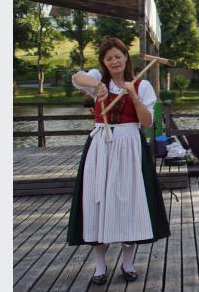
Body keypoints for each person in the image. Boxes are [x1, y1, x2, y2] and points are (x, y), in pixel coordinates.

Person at [66, 37, 170, 285]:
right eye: (109, 58)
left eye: (118, 56)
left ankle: (127, 263)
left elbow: (147, 123)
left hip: (130, 146)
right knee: (98, 201)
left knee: (128, 202)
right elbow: (76, 78)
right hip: (102, 145)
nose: (114, 61)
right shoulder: (97, 80)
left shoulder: (142, 85)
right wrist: (97, 86)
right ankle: (99, 267)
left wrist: (134, 97)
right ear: (103, 61)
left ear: (126, 58)